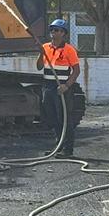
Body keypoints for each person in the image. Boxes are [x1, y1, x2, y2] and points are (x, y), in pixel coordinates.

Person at [36, 18, 81, 157]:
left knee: (65, 118)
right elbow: (39, 67)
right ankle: (58, 146)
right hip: (48, 88)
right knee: (52, 118)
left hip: (62, 89)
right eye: (52, 30)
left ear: (63, 33)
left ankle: (68, 150)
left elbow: (76, 71)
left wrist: (66, 86)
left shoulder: (69, 50)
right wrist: (40, 54)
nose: (53, 32)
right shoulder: (45, 48)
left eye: (56, 30)